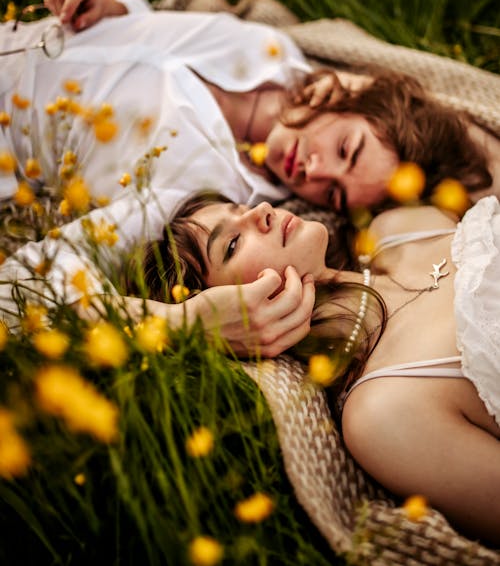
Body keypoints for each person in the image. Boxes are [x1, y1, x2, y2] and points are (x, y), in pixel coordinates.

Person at [0, 0, 498, 356]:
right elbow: (153, 33)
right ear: (345, 97)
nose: (316, 172)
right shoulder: (272, 49)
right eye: (345, 148)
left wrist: (183, 321)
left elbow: (19, 287)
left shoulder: (197, 192)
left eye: (334, 194)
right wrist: (113, 11)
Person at [141, 191, 500, 547]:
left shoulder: (399, 227)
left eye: (245, 208)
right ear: (230, 314)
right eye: (232, 244)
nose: (262, 211)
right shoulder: (383, 412)